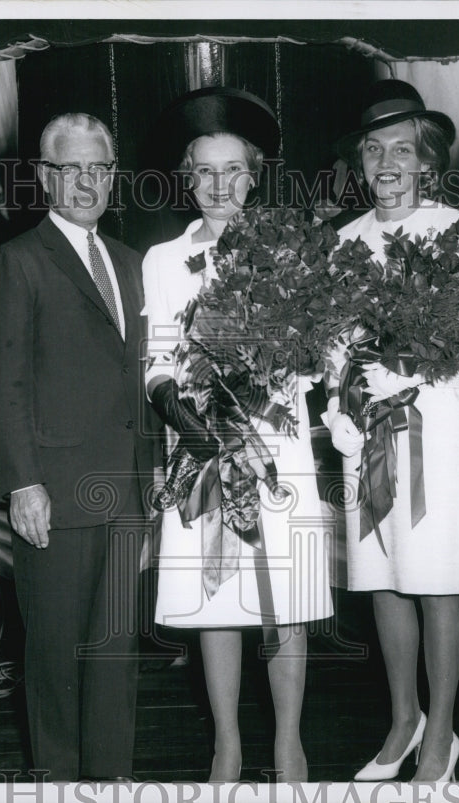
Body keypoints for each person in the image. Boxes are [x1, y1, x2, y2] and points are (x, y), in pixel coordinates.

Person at [142, 87, 333, 782]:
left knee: (288, 594)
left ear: (254, 175)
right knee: (215, 596)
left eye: (233, 170)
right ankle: (226, 742)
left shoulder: (292, 249)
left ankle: (289, 741)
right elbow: (158, 362)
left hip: (275, 444)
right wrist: (197, 430)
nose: (218, 186)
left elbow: (320, 348)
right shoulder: (162, 259)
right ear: (186, 177)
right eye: (203, 171)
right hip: (199, 447)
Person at [0, 113, 155, 781]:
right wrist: (22, 482)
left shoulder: (131, 263)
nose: (86, 181)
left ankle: (108, 782)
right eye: (70, 167)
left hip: (124, 492)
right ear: (46, 177)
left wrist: (151, 484)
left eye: (98, 168)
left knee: (115, 658)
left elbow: (136, 381)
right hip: (53, 493)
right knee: (54, 664)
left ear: (112, 176)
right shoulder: (17, 261)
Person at [324, 79, 459, 784]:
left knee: (435, 578)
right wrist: (341, 403)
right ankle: (403, 718)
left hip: (433, 424)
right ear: (360, 162)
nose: (387, 161)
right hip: (366, 430)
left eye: (402, 149)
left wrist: (401, 366)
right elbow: (328, 346)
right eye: (373, 148)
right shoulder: (343, 241)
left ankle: (442, 736)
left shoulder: (458, 228)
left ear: (425, 160)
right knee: (383, 578)